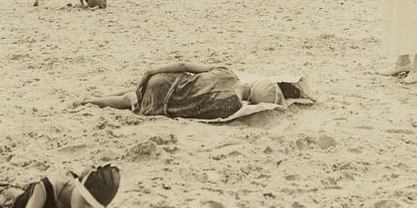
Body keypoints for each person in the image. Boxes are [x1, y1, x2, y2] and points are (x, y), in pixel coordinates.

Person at [79, 63, 285, 120]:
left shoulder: (226, 73)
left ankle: (95, 98)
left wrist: (150, 72)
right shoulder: (232, 107)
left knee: (140, 90)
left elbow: (183, 64)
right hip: (167, 104)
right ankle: (95, 101)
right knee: (131, 101)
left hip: (168, 80)